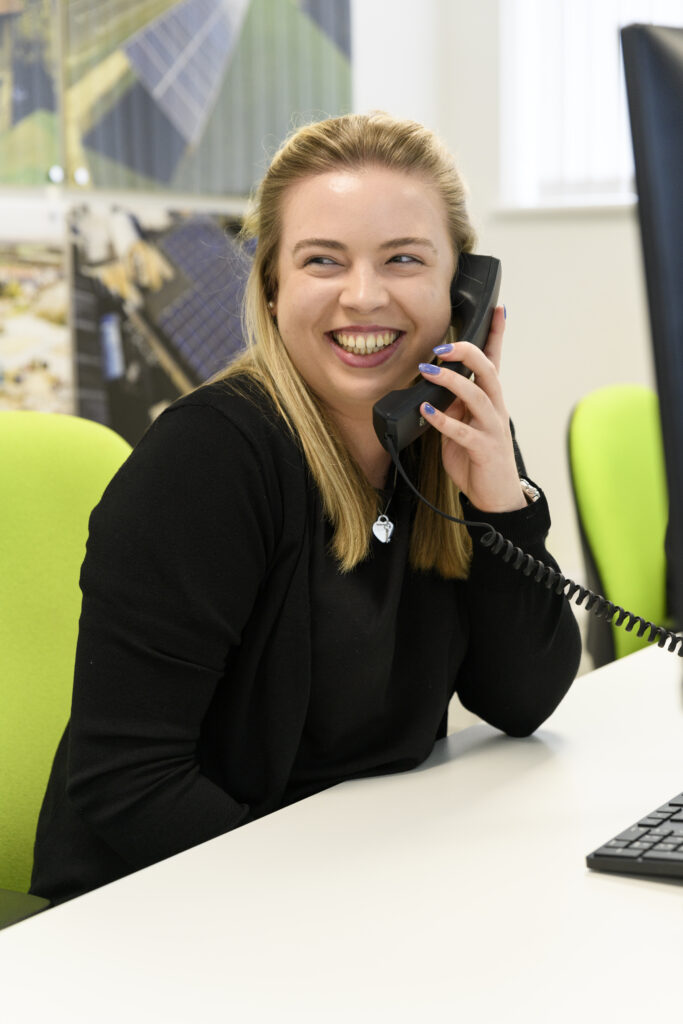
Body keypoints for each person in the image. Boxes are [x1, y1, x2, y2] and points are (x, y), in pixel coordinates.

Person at [31, 112, 581, 904]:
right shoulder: (208, 460)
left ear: (462, 291)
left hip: (342, 873)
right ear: (271, 284)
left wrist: (502, 506)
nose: (363, 296)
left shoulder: (450, 441)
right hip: (166, 907)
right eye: (323, 260)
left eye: (403, 259)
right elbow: (128, 783)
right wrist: (322, 911)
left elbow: (521, 700)